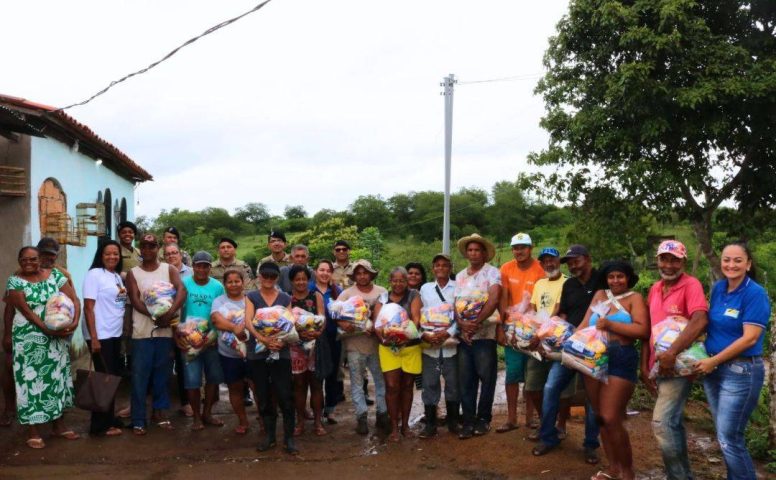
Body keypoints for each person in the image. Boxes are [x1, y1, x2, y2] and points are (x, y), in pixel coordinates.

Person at [694, 242, 769, 480]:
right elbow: (712, 326)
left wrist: (713, 360)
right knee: (725, 436)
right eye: (727, 259)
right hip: (713, 370)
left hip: (740, 371)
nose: (731, 265)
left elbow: (750, 339)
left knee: (729, 438)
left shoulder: (755, 293)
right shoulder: (718, 289)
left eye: (738, 260)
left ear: (748, 264)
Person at [576, 261, 649, 480]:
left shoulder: (634, 298)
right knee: (600, 417)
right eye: (611, 277)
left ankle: (627, 471)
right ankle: (613, 468)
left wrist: (610, 325)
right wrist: (565, 341)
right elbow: (584, 324)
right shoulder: (599, 295)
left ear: (628, 278)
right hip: (594, 356)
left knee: (611, 417)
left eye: (620, 276)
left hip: (621, 357)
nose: (615, 281)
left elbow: (643, 330)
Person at [642, 240, 708, 480]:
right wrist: (645, 365)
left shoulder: (691, 285)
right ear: (658, 260)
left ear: (683, 262)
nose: (668, 265)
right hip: (660, 367)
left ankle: (679, 476)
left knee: (662, 422)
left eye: (674, 260)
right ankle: (680, 475)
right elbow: (651, 329)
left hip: (678, 367)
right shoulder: (654, 288)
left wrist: (671, 354)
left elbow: (699, 319)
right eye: (664, 259)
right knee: (673, 423)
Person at [4, 246, 81, 449]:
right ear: (19, 261)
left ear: (41, 259)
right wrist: (48, 330)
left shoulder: (55, 275)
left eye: (33, 259)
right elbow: (26, 312)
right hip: (28, 339)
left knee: (56, 378)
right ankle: (33, 430)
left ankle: (59, 425)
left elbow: (74, 300)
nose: (29, 263)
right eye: (24, 260)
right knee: (29, 382)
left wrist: (74, 323)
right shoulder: (15, 281)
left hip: (56, 339)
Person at [533, 244, 601, 465]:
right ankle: (548, 437)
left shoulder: (601, 280)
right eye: (569, 262)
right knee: (551, 387)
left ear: (588, 259)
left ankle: (591, 444)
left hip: (594, 347)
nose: (572, 265)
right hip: (569, 345)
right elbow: (561, 312)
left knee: (592, 398)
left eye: (576, 260)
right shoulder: (569, 284)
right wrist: (549, 334)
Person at [126, 233, 187, 435]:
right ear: (140, 248)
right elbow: (135, 300)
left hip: (165, 332)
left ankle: (159, 414)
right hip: (142, 332)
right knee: (139, 376)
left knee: (162, 374)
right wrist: (154, 316)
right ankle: (138, 418)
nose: (148, 249)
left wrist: (168, 314)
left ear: (158, 247)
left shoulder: (168, 269)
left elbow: (181, 291)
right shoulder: (133, 273)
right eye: (144, 245)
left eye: (152, 246)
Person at [244, 262, 299, 455]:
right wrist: (263, 340)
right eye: (265, 275)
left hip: (281, 352)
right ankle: (269, 436)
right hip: (258, 352)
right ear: (259, 276)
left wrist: (281, 342)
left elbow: (289, 322)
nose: (268, 279)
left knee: (285, 395)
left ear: (277, 278)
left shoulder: (285, 297)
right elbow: (248, 322)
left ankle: (289, 438)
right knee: (263, 395)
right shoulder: (251, 297)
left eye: (272, 276)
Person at [454, 233, 502, 439]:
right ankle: (468, 420)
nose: (473, 253)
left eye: (477, 250)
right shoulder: (460, 276)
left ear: (484, 253)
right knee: (466, 378)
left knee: (487, 376)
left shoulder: (493, 273)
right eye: (470, 250)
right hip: (465, 335)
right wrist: (462, 324)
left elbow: (493, 299)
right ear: (467, 253)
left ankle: (484, 419)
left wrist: (476, 322)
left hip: (485, 333)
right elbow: (455, 303)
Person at [497, 232, 546, 433]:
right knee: (512, 373)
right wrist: (501, 326)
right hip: (512, 328)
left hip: (533, 329)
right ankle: (511, 418)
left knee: (531, 374)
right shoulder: (506, 268)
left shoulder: (541, 268)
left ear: (531, 248)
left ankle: (530, 418)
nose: (519, 251)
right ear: (512, 250)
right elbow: (503, 298)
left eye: (523, 247)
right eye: (516, 248)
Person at [337, 259, 390, 435]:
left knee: (381, 381)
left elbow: (390, 313)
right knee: (357, 383)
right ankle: (361, 417)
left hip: (377, 345)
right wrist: (344, 323)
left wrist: (377, 325)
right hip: (354, 345)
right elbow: (335, 313)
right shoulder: (346, 294)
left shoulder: (382, 292)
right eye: (358, 273)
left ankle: (383, 414)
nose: (362, 276)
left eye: (365, 272)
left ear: (371, 274)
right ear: (354, 276)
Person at [526, 247, 573, 441]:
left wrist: (541, 332)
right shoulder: (539, 284)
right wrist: (527, 328)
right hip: (538, 340)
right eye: (544, 261)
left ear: (559, 261)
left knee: (562, 388)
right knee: (533, 385)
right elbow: (533, 308)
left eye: (552, 260)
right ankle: (546, 421)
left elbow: (558, 309)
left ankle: (561, 425)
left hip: (560, 340)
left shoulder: (568, 282)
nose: (548, 264)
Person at [83, 239, 128, 437]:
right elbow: (88, 307)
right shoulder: (95, 275)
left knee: (112, 377)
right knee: (104, 379)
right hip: (100, 334)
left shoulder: (116, 276)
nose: (112, 257)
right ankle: (99, 426)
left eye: (116, 254)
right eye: (108, 253)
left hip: (114, 333)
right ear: (101, 256)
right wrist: (94, 337)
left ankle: (109, 418)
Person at [374, 267, 422, 442]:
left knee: (408, 386)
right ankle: (394, 427)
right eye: (395, 280)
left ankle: (405, 425)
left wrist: (405, 335)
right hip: (388, 348)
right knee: (392, 386)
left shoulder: (414, 295)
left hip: (410, 347)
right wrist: (384, 338)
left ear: (407, 281)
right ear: (390, 281)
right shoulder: (383, 298)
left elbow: (416, 319)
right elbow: (377, 323)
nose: (398, 284)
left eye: (402, 280)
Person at [178, 251, 226, 431]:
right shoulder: (184, 284)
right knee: (192, 380)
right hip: (189, 339)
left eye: (205, 266)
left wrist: (215, 335)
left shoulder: (217, 287)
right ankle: (197, 417)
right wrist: (179, 334)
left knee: (213, 378)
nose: (202, 269)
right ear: (193, 267)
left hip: (212, 340)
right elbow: (178, 310)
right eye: (198, 265)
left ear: (209, 268)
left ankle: (207, 413)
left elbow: (222, 311)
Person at [418, 253, 459, 438]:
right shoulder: (425, 289)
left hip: (451, 345)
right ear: (433, 268)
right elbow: (419, 315)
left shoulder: (458, 288)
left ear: (450, 268)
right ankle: (431, 424)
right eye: (437, 265)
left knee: (453, 383)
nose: (441, 268)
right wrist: (424, 334)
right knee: (430, 383)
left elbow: (462, 315)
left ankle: (453, 422)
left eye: (445, 265)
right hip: (430, 346)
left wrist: (448, 332)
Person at [211, 270, 252, 435]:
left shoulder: (250, 300)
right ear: (224, 284)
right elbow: (216, 320)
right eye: (230, 282)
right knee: (235, 387)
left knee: (256, 386)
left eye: (237, 281)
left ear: (243, 283)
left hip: (252, 353)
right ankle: (243, 420)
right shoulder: (218, 301)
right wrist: (236, 328)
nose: (234, 285)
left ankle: (264, 419)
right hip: (228, 353)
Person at [288, 264, 326, 436]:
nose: (301, 282)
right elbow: (287, 321)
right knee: (299, 385)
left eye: (304, 279)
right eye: (297, 279)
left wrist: (317, 331)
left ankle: (318, 422)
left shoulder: (316, 295)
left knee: (317, 384)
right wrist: (299, 332)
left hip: (315, 345)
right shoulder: (287, 298)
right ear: (291, 281)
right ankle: (300, 422)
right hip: (295, 346)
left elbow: (321, 317)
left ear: (308, 280)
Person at [310, 259, 344, 425]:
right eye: (321, 270)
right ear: (315, 271)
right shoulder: (308, 289)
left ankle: (330, 409)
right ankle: (314, 409)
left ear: (331, 273)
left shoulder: (337, 291)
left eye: (328, 270)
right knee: (314, 375)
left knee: (332, 373)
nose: (324, 273)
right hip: (312, 338)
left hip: (333, 337)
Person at [162, 242, 193, 417]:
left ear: (180, 255)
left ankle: (186, 402)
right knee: (163, 364)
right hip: (166, 325)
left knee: (184, 365)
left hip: (186, 325)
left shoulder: (191, 273)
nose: (172, 256)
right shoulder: (161, 271)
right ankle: (159, 403)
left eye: (175, 253)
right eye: (168, 254)